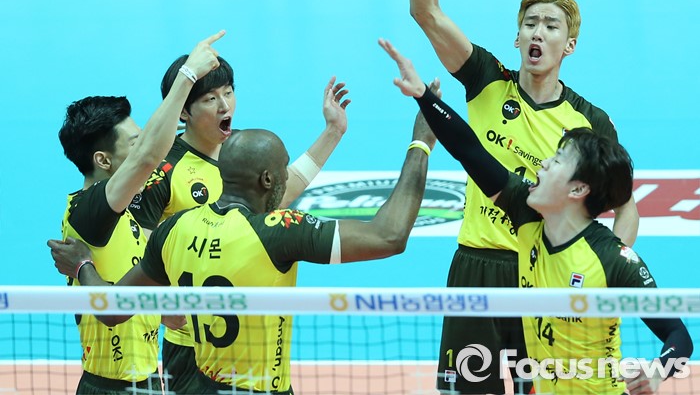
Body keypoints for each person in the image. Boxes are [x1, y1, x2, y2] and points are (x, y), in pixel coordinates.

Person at [409, 0, 640, 394]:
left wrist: (607, 268)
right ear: (517, 39)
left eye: (550, 26)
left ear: (568, 45)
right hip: (476, 265)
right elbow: (426, 12)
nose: (538, 32)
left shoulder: (590, 121)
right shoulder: (486, 79)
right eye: (529, 24)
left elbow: (626, 207)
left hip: (546, 275)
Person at [48, 106, 438, 395]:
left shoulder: (174, 229)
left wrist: (83, 266)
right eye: (284, 169)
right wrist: (421, 143)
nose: (287, 176)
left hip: (199, 386)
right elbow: (389, 236)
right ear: (268, 180)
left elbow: (113, 311)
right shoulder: (281, 232)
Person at [380, 38, 692, 395]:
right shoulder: (525, 212)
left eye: (557, 161)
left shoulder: (611, 258)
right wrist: (423, 95)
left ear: (578, 189)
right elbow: (469, 150)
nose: (542, 164)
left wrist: (658, 370)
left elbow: (678, 336)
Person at [126, 52, 352, 393]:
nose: (224, 105)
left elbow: (279, 193)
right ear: (183, 111)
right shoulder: (164, 171)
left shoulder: (240, 150)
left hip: (252, 337)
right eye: (210, 99)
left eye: (229, 93)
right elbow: (135, 251)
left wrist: (333, 132)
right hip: (190, 346)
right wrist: (159, 308)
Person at [57, 31, 224, 394]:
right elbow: (149, 155)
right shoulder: (89, 210)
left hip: (146, 380)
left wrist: (159, 310)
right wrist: (188, 75)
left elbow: (120, 288)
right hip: (110, 387)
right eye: (133, 143)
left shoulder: (129, 212)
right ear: (103, 161)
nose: (147, 148)